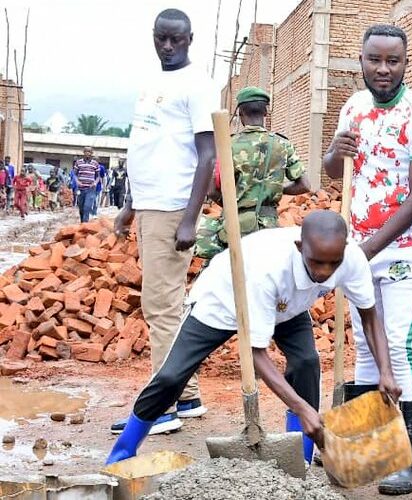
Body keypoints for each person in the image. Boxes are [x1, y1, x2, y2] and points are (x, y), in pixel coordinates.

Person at [105, 212, 402, 465]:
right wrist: (301, 407)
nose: (325, 273)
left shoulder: (350, 260)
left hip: (288, 305)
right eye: (316, 263)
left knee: (306, 363)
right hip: (223, 300)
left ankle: (301, 461)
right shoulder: (268, 269)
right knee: (171, 377)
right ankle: (122, 453)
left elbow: (369, 316)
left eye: (332, 264)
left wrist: (385, 372)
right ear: (299, 247)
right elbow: (256, 353)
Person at [322, 24, 412, 496]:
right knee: (368, 352)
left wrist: (364, 252)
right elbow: (335, 173)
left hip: (407, 250)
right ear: (362, 60)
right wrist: (336, 151)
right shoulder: (353, 107)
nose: (384, 69)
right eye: (375, 60)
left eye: (393, 61)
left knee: (401, 347)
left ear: (406, 63)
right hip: (359, 246)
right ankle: (375, 453)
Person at [111, 8, 219, 435]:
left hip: (173, 207)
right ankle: (186, 395)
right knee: (167, 304)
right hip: (151, 203)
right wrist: (129, 203)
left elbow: (208, 155)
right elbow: (147, 143)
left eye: (176, 39)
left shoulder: (197, 85)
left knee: (160, 307)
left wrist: (189, 219)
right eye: (161, 39)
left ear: (190, 38)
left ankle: (163, 408)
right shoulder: (155, 83)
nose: (168, 46)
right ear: (153, 37)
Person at [195, 86, 309, 260]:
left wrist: (236, 203)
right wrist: (275, 188)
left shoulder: (227, 144)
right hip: (268, 228)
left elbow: (212, 191)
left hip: (233, 227)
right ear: (266, 112)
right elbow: (304, 185)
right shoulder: (282, 144)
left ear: (240, 114)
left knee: (230, 275)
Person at [73, 147, 100, 222]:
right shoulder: (78, 162)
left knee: (87, 207)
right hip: (81, 188)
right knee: (81, 207)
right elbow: (74, 174)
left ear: (92, 153)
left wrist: (95, 182)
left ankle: (85, 225)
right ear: (83, 152)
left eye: (89, 152)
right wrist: (77, 181)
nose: (88, 153)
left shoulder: (95, 163)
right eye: (86, 151)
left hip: (90, 189)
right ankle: (82, 223)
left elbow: (98, 176)